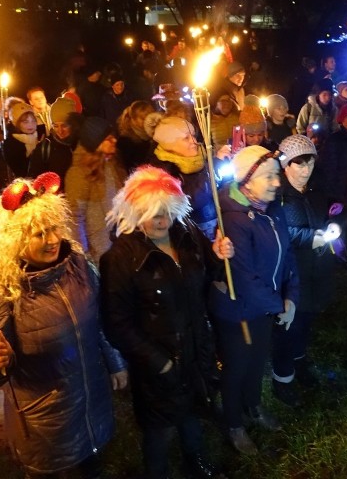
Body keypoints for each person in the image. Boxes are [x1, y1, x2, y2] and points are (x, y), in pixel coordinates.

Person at [0, 172, 128, 478]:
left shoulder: (76, 264)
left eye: (54, 228)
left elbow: (99, 319)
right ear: (15, 240)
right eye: (38, 234)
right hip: (47, 417)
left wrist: (115, 362)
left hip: (91, 395)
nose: (52, 240)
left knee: (92, 465)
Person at [100, 166, 233, 479]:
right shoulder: (120, 259)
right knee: (158, 429)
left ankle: (195, 463)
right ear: (135, 211)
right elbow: (116, 323)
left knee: (193, 412)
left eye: (168, 212)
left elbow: (203, 277)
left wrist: (215, 255)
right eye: (153, 213)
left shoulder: (186, 234)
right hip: (158, 362)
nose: (163, 221)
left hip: (195, 349)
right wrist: (158, 361)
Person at [213, 145, 300, 454]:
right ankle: (233, 422)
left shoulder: (272, 209)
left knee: (257, 361)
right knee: (236, 367)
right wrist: (280, 305)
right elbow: (244, 279)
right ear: (246, 181)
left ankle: (253, 405)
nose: (277, 183)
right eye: (269, 176)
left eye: (277, 175)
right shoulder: (233, 220)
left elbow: (288, 255)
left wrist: (291, 297)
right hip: (238, 311)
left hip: (266, 307)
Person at [272, 134, 337, 407]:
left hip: (316, 269)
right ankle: (282, 378)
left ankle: (299, 361)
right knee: (289, 326)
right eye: (299, 164)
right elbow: (283, 232)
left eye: (309, 162)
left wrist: (335, 218)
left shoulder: (315, 188)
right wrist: (314, 237)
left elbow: (332, 209)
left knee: (306, 318)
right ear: (286, 165)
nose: (305, 169)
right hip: (291, 272)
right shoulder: (278, 195)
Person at [65, 117, 126, 264]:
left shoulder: (112, 163)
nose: (114, 141)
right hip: (98, 249)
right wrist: (84, 256)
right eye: (108, 139)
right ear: (95, 142)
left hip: (119, 241)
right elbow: (75, 217)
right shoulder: (79, 173)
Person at [148, 116, 218, 239]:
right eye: (186, 138)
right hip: (190, 234)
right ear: (170, 145)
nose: (194, 141)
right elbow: (190, 202)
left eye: (193, 135)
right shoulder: (163, 172)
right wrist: (212, 176)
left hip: (213, 225)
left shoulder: (199, 159)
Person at [28, 96, 79, 184]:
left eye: (65, 125)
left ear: (73, 124)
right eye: (55, 126)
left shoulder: (84, 144)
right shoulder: (44, 149)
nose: (60, 131)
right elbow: (34, 181)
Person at [115, 100, 156, 172]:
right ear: (133, 119)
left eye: (148, 117)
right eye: (142, 118)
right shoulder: (125, 141)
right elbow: (127, 167)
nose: (146, 121)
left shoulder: (153, 135)